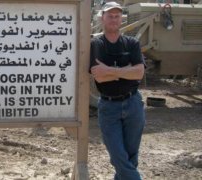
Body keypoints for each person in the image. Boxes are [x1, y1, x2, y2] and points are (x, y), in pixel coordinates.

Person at [90, 1, 145, 180]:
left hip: (133, 103)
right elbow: (98, 76)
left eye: (117, 16)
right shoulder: (96, 44)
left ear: (121, 18)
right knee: (118, 156)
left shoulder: (132, 43)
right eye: (110, 16)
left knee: (131, 156)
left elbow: (139, 73)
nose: (114, 19)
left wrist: (110, 71)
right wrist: (125, 72)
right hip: (108, 107)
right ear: (102, 18)